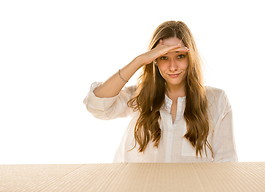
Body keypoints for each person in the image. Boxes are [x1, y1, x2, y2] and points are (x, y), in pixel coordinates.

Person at [83, 20, 238, 163]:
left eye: (180, 56)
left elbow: (227, 161)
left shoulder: (217, 100)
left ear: (191, 58)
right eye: (164, 57)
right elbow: (97, 105)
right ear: (155, 60)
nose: (172, 66)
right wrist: (140, 60)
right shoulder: (139, 96)